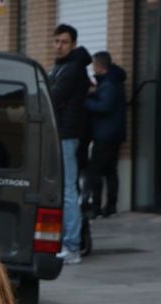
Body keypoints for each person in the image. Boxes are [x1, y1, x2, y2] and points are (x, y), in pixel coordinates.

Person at [47, 24, 91, 266]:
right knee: (64, 190)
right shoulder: (61, 66)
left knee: (68, 192)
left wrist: (53, 95)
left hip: (67, 134)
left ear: (73, 44)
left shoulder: (73, 69)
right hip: (60, 133)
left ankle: (72, 246)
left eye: (64, 42)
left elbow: (53, 97)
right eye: (56, 41)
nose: (59, 46)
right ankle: (67, 242)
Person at [83, 52, 126, 218]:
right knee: (109, 171)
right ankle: (110, 206)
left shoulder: (109, 83)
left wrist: (85, 101)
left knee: (94, 171)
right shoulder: (113, 80)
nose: (92, 68)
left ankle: (95, 207)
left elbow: (104, 106)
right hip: (114, 133)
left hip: (105, 134)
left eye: (93, 65)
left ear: (100, 66)